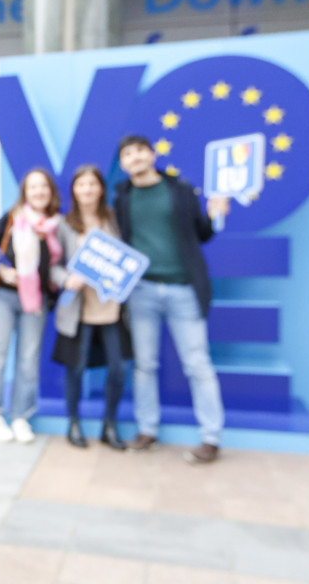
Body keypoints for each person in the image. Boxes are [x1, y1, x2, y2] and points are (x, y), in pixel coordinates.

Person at [113, 135, 230, 464]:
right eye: (127, 154)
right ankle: (147, 430)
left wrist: (214, 213)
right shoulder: (122, 196)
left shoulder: (180, 189)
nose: (134, 158)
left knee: (198, 364)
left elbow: (203, 233)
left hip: (184, 289)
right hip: (141, 292)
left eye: (139, 151)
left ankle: (211, 437)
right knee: (145, 365)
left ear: (151, 154)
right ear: (123, 164)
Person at [52, 165, 132, 450]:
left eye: (92, 184)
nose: (87, 189)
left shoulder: (113, 218)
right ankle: (73, 422)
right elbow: (51, 266)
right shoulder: (64, 223)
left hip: (112, 309)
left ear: (101, 188)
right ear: (74, 189)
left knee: (119, 368)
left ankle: (109, 424)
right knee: (75, 367)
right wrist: (65, 278)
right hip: (79, 309)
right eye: (81, 184)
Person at [0, 168, 64, 444]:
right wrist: (3, 272)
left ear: (51, 192)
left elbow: (57, 267)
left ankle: (20, 417)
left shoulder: (56, 225)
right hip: (3, 298)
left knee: (28, 361)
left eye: (44, 187)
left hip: (36, 300)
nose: (39, 191)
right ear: (25, 193)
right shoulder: (11, 219)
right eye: (33, 187)